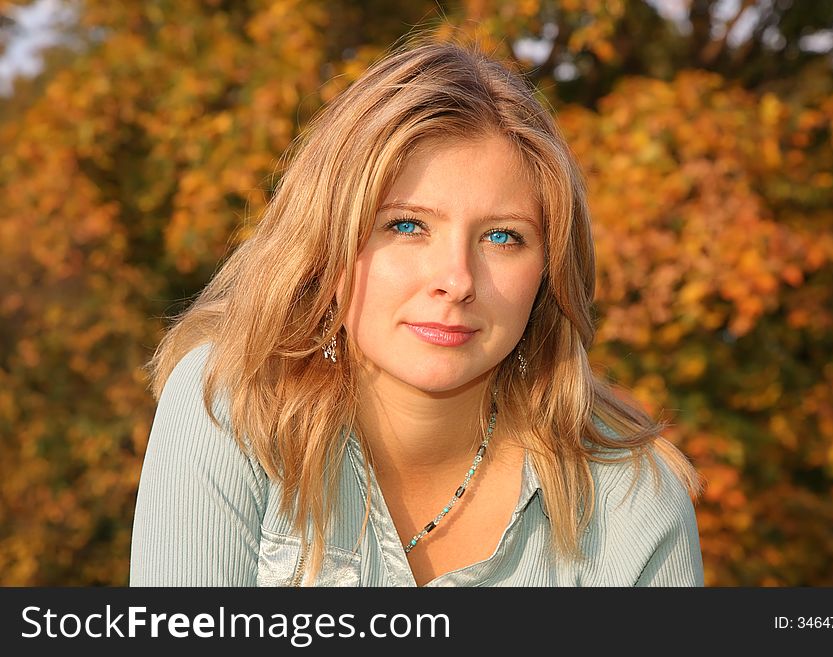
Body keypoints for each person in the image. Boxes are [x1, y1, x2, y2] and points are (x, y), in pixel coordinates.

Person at [129, 39, 705, 587]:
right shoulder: (230, 406)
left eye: (503, 238)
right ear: (328, 244)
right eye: (406, 226)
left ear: (549, 272)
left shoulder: (634, 502)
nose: (455, 281)